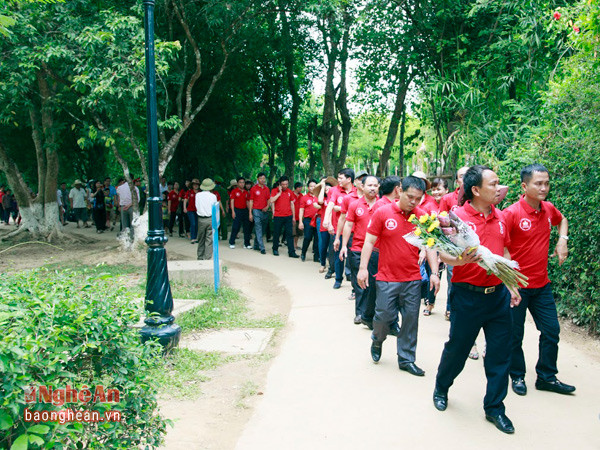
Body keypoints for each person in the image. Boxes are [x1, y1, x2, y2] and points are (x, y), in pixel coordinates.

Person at [432, 165, 520, 435]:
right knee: (458, 349)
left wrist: (512, 284)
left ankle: (495, 408)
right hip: (466, 297)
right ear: (475, 190)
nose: (498, 188)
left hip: (497, 297)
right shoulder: (455, 217)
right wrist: (460, 259)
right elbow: (441, 253)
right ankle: (442, 387)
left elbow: (504, 250)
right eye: (493, 184)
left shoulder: (502, 217)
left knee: (499, 353)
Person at [503, 163, 574, 396]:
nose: (544, 188)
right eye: (538, 183)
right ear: (525, 186)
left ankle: (546, 376)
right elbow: (501, 246)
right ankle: (517, 376)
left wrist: (562, 239)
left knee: (551, 331)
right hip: (517, 286)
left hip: (541, 285)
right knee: (515, 334)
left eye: (546, 183)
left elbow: (561, 220)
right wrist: (509, 281)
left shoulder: (548, 209)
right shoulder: (512, 213)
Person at [358, 176, 440, 376]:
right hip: (387, 278)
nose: (413, 202)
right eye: (410, 196)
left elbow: (430, 246)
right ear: (400, 190)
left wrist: (435, 273)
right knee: (383, 317)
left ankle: (406, 358)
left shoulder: (422, 217)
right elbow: (369, 242)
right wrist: (362, 268)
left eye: (418, 198)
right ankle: (377, 340)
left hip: (412, 279)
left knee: (411, 321)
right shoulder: (383, 212)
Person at [341, 175, 380, 325]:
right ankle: (360, 313)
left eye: (375, 185)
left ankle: (372, 313)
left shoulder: (383, 205)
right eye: (369, 185)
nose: (372, 188)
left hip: (377, 250)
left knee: (375, 283)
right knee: (360, 283)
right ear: (362, 187)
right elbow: (348, 225)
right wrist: (344, 245)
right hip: (357, 248)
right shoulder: (355, 205)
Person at [323, 168, 356, 289]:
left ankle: (354, 283)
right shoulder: (335, 190)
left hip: (353, 232)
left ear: (349, 179)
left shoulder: (357, 192)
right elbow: (330, 205)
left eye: (341, 178)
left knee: (353, 258)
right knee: (338, 256)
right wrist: (327, 220)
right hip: (339, 230)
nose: (338, 180)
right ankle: (338, 279)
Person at [269, 175, 299, 258]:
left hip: (288, 216)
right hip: (278, 216)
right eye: (283, 184)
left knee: (290, 234)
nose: (285, 186)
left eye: (286, 184)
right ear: (280, 184)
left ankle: (291, 252)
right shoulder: (275, 191)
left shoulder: (290, 192)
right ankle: (275, 249)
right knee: (276, 233)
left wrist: (293, 217)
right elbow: (271, 200)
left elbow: (292, 204)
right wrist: (279, 193)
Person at [194, 178, 219, 260]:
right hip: (210, 219)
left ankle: (200, 256)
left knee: (201, 239)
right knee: (209, 239)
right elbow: (215, 209)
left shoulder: (197, 195)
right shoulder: (213, 196)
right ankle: (207, 258)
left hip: (201, 219)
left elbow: (196, 206)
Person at [249, 172, 271, 254]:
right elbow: (251, 201)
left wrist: (267, 206)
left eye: (264, 178)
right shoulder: (253, 189)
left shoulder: (267, 189)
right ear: (258, 179)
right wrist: (250, 213)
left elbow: (269, 199)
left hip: (265, 211)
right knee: (258, 227)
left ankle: (256, 245)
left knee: (262, 229)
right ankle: (262, 248)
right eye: (261, 178)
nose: (263, 180)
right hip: (256, 210)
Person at [298, 180, 320, 262]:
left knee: (317, 238)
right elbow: (301, 210)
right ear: (308, 187)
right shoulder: (304, 198)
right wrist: (300, 222)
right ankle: (303, 253)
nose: (312, 188)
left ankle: (316, 256)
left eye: (314, 186)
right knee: (307, 237)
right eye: (311, 186)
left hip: (318, 220)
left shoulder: (319, 196)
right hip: (308, 220)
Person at [229, 177, 252, 249]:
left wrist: (250, 212)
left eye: (243, 182)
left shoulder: (246, 192)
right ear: (237, 183)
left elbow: (247, 202)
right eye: (240, 182)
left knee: (247, 227)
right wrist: (233, 211)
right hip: (237, 210)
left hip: (245, 211)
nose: (242, 184)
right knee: (236, 227)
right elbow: (232, 201)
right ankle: (232, 242)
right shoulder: (234, 191)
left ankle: (247, 243)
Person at [213, 176, 229, 240]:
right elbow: (227, 199)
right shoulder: (224, 190)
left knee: (216, 222)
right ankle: (224, 236)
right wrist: (227, 207)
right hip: (223, 208)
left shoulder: (213, 190)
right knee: (223, 223)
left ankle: (216, 236)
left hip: (215, 208)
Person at [185, 179, 200, 244]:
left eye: (197, 184)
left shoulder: (200, 192)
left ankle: (195, 237)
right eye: (194, 184)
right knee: (193, 223)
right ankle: (192, 238)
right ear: (192, 185)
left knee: (196, 224)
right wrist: (184, 208)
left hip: (198, 210)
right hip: (190, 210)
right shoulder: (189, 192)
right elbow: (185, 200)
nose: (196, 186)